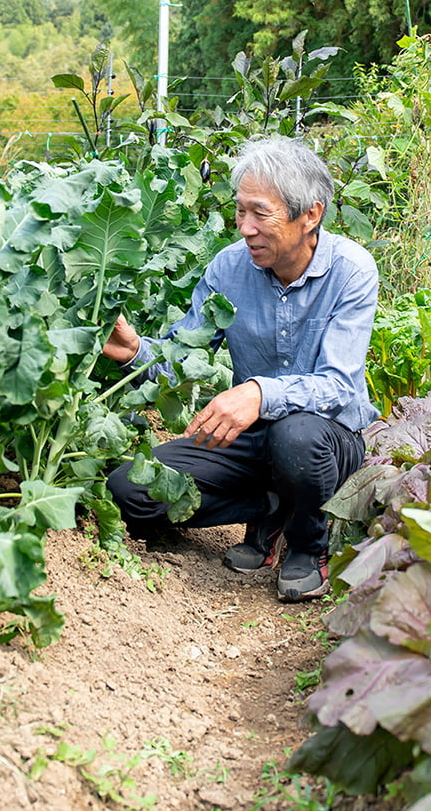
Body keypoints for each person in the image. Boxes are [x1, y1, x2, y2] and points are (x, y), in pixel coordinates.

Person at [102, 136, 380, 601]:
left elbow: (337, 386)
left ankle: (308, 547)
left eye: (260, 213)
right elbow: (181, 356)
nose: (245, 228)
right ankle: (270, 507)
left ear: (310, 215)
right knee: (129, 490)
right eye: (240, 212)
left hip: (329, 440)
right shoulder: (228, 269)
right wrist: (135, 352)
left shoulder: (351, 271)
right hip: (252, 443)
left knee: (296, 435)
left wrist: (257, 393)